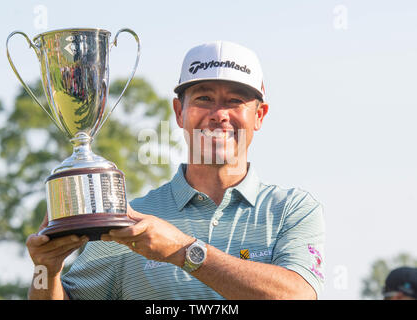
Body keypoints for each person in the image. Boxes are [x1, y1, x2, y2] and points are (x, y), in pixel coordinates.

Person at [26, 40, 325, 300]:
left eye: (235, 101)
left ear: (259, 115)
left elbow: (298, 294)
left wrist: (184, 250)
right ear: (180, 112)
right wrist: (46, 272)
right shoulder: (129, 221)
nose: (219, 114)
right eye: (204, 99)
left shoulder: (291, 210)